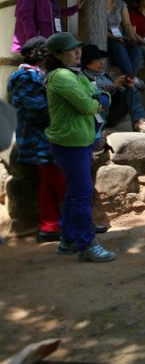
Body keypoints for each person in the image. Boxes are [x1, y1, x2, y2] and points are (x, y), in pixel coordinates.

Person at [44, 32, 116, 262]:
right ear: (58, 54)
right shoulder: (61, 76)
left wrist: (100, 99)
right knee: (82, 194)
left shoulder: (76, 74)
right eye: (71, 49)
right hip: (69, 143)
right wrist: (99, 102)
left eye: (78, 48)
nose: (77, 52)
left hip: (80, 141)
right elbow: (87, 104)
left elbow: (101, 93)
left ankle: (69, 239)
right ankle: (87, 244)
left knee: (75, 193)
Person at [7, 37, 66, 243]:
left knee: (49, 184)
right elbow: (39, 110)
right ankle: (75, 223)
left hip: (41, 138)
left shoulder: (34, 75)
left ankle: (50, 227)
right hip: (39, 139)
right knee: (63, 182)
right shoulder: (25, 77)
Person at [81, 44, 145, 134]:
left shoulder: (109, 74)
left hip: (115, 113)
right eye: (97, 61)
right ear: (87, 63)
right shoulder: (82, 78)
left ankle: (139, 122)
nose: (101, 63)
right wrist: (112, 87)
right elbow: (91, 96)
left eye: (102, 59)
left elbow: (142, 88)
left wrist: (131, 82)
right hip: (99, 115)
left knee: (131, 88)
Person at [105, 0, 143, 79]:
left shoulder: (120, 4)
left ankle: (130, 79)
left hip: (120, 35)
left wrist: (131, 37)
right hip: (107, 37)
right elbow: (100, 29)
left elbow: (127, 24)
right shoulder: (97, 5)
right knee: (118, 47)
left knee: (136, 48)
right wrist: (115, 38)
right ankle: (133, 80)